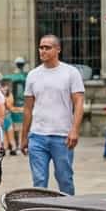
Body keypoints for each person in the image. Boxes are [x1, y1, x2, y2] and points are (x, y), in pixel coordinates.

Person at [21, 35, 85, 194]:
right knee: (39, 181)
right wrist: (24, 137)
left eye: (47, 47)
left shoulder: (71, 73)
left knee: (65, 179)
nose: (42, 51)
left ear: (58, 49)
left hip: (62, 136)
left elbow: (78, 103)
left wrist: (75, 130)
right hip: (37, 136)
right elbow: (28, 108)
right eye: (41, 47)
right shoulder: (33, 75)